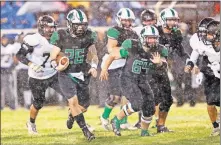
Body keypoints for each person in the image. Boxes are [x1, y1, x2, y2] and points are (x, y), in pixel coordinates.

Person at [100, 25, 168, 136]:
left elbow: (165, 66)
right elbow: (112, 55)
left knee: (150, 108)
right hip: (128, 79)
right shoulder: (133, 46)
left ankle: (144, 132)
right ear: (142, 38)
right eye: (149, 38)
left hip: (142, 80)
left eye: (154, 38)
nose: (152, 41)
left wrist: (159, 63)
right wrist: (104, 69)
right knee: (137, 103)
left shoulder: (159, 50)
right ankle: (116, 119)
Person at [50, 9, 98, 141]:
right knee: (73, 101)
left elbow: (93, 54)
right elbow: (53, 57)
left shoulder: (89, 35)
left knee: (84, 106)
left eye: (83, 24)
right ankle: (86, 131)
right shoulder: (61, 35)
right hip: (66, 74)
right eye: (77, 24)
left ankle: (72, 115)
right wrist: (57, 66)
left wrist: (94, 66)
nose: (81, 27)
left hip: (82, 72)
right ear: (70, 24)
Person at [16, 15, 64, 135]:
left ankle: (80, 121)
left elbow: (61, 55)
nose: (51, 30)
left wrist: (62, 62)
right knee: (38, 103)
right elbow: (19, 55)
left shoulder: (57, 38)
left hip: (53, 74)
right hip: (37, 77)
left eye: (53, 27)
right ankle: (31, 123)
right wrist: (31, 64)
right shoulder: (33, 39)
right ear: (41, 27)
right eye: (48, 28)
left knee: (71, 95)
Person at [99, 8, 139, 130]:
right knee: (115, 97)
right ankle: (104, 116)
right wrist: (127, 49)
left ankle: (123, 121)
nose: (127, 23)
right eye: (125, 20)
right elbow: (112, 50)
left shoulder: (133, 33)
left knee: (126, 95)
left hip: (125, 64)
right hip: (113, 64)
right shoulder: (114, 31)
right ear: (119, 19)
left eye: (129, 20)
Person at [185, 19, 220, 136]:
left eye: (206, 34)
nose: (203, 36)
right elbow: (196, 52)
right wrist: (191, 64)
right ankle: (216, 126)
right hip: (210, 72)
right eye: (202, 33)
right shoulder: (199, 42)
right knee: (210, 102)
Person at [133, 9, 159, 129]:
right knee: (144, 93)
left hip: (156, 64)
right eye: (146, 20)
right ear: (142, 21)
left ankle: (157, 121)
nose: (149, 23)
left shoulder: (159, 31)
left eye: (151, 20)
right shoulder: (137, 31)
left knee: (157, 94)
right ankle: (141, 121)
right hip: (142, 64)